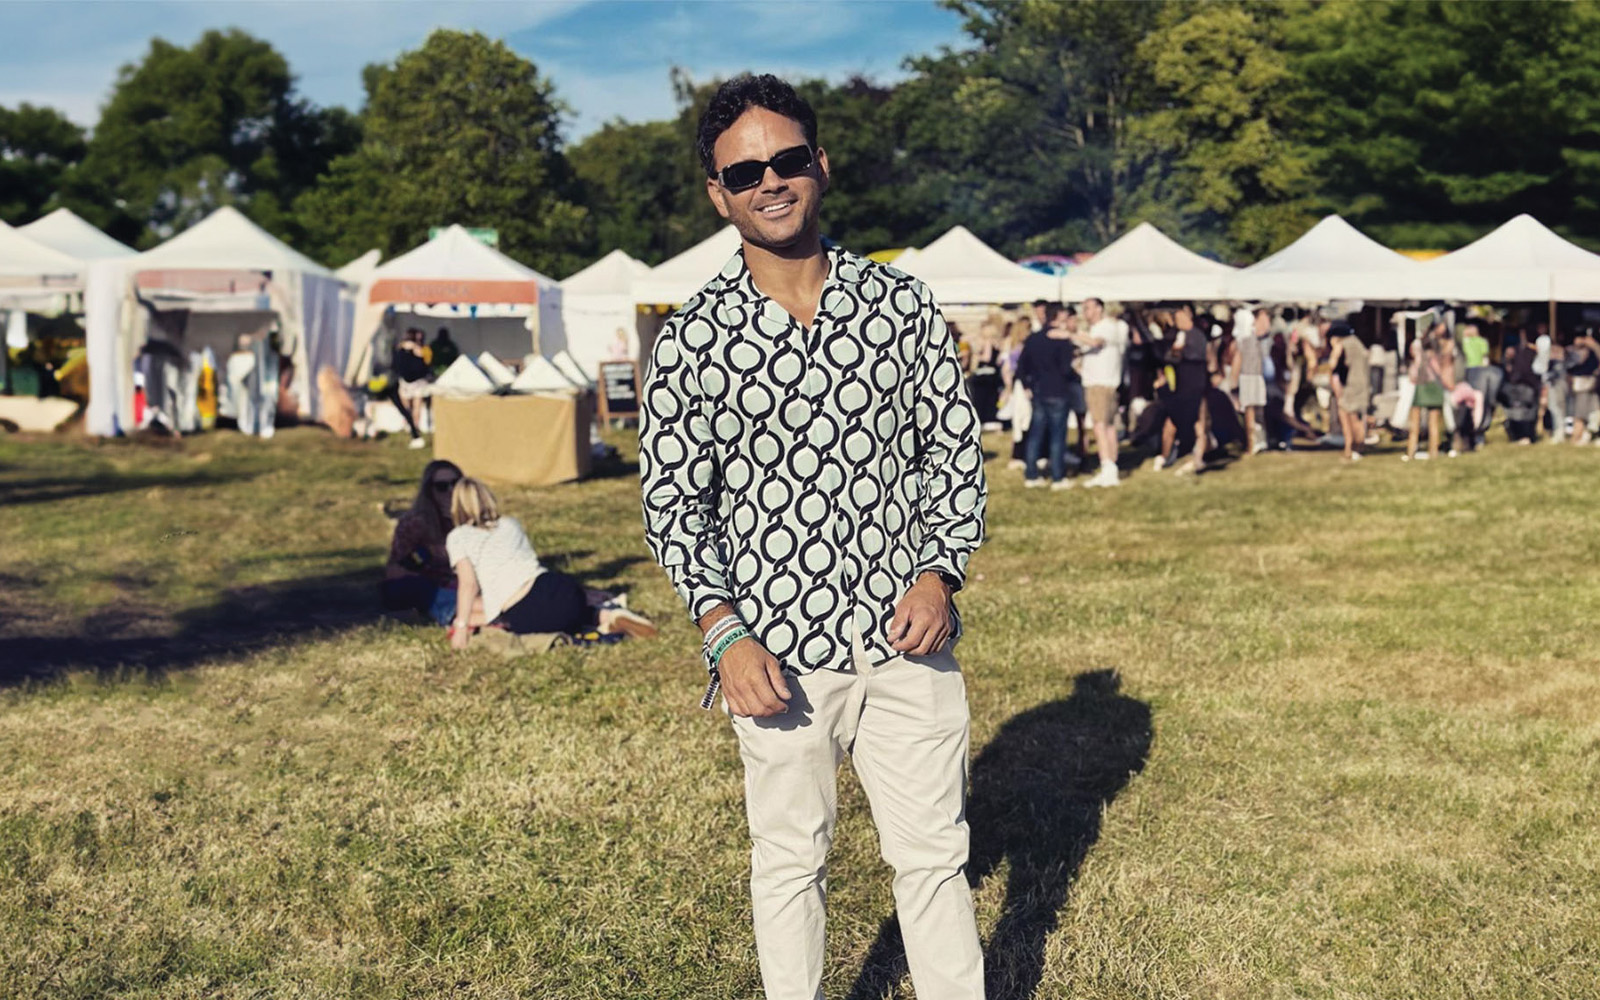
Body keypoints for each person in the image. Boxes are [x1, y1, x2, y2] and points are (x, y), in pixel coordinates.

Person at [638, 74, 987, 1000]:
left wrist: (940, 575)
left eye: (787, 160)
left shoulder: (900, 307)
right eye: (745, 172)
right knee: (791, 864)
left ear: (820, 165)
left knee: (935, 859)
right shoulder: (694, 340)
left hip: (910, 641)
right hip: (777, 657)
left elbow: (951, 456)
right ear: (718, 194)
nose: (771, 182)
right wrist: (724, 633)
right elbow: (676, 504)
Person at [446, 476, 655, 647]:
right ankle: (608, 617)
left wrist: (461, 626)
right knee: (572, 614)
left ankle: (604, 619)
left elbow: (468, 584)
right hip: (560, 587)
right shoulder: (509, 524)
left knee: (475, 612)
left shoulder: (459, 536)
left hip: (528, 607)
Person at [383, 460, 466, 626]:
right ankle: (455, 612)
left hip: (467, 581)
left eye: (455, 484)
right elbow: (395, 570)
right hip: (431, 584)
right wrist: (431, 555)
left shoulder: (471, 518)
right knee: (409, 588)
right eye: (442, 486)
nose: (450, 491)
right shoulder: (415, 523)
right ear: (430, 491)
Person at [1016, 304, 1079, 489]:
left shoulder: (1034, 339)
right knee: (1057, 436)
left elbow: (1021, 366)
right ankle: (1058, 477)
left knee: (1036, 434)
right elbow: (1066, 369)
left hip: (1039, 391)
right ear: (1058, 317)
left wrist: (1027, 385)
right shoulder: (1062, 340)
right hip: (1058, 391)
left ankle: (1031, 475)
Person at [1076, 297, 1126, 487]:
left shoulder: (1105, 327)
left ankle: (1107, 467)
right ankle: (1111, 464)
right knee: (1108, 425)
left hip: (1100, 383)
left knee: (1099, 425)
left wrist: (1072, 334)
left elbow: (1096, 342)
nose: (1085, 313)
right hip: (1104, 382)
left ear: (1098, 309)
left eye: (1087, 308)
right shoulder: (1102, 327)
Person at [1167, 303, 1210, 475]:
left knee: (1197, 420)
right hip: (1185, 383)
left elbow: (1196, 357)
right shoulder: (1180, 335)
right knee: (1189, 420)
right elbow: (1170, 358)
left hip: (1194, 384)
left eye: (1178, 317)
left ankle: (1196, 457)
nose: (1176, 321)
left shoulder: (1196, 336)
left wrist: (1179, 351)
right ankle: (1193, 456)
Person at [1326, 323, 1370, 461]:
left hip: (1350, 386)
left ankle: (1351, 449)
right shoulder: (1358, 343)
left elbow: (1334, 367)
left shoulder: (1341, 345)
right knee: (1356, 418)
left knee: (1347, 419)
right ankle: (1357, 448)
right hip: (1362, 385)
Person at [1232, 306, 1270, 456]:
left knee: (1250, 411)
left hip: (1250, 376)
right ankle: (1258, 442)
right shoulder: (1250, 339)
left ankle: (1253, 444)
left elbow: (1238, 359)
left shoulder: (1246, 339)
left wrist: (1232, 381)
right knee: (1255, 410)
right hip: (1253, 375)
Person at [1404, 328, 1446, 461]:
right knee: (1434, 423)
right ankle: (1433, 451)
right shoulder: (1437, 357)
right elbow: (1441, 373)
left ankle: (1411, 451)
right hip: (1435, 389)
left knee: (1414, 423)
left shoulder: (1419, 357)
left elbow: (1413, 377)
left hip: (1421, 388)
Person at [386, 328, 430, 448]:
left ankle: (411, 427)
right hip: (415, 381)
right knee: (415, 406)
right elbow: (424, 363)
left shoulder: (401, 348)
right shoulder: (417, 349)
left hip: (407, 381)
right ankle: (414, 427)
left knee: (408, 407)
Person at [967, 319, 1005, 429]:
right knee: (992, 398)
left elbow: (987, 357)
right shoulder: (997, 342)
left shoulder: (987, 341)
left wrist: (976, 355)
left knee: (980, 398)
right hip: (994, 374)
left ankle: (982, 419)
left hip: (984, 374)